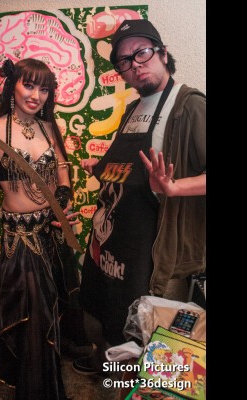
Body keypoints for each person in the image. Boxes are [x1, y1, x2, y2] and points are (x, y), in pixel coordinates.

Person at [72, 19, 206, 374]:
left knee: (150, 329)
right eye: (124, 60)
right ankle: (110, 365)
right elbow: (128, 169)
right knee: (110, 310)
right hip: (114, 241)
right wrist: (101, 168)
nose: (135, 64)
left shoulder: (189, 105)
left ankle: (139, 383)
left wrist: (175, 188)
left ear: (162, 53)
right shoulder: (133, 109)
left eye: (142, 52)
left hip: (154, 249)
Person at [0, 58, 80, 399]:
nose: (36, 95)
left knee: (50, 310)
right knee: (32, 314)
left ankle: (42, 382)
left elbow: (62, 169)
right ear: (13, 86)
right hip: (19, 241)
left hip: (49, 234)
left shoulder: (49, 127)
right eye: (29, 85)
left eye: (44, 89)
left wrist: (63, 194)